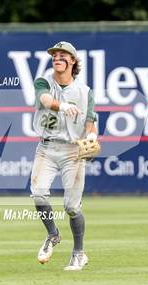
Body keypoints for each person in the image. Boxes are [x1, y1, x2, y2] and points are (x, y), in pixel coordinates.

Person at [30, 41, 98, 271]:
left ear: (73, 61)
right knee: (38, 196)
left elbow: (91, 124)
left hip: (72, 151)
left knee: (72, 207)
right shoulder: (43, 81)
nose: (57, 57)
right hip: (47, 148)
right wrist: (63, 106)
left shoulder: (85, 91)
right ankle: (53, 234)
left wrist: (91, 138)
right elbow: (45, 100)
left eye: (63, 55)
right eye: (55, 55)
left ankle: (79, 253)